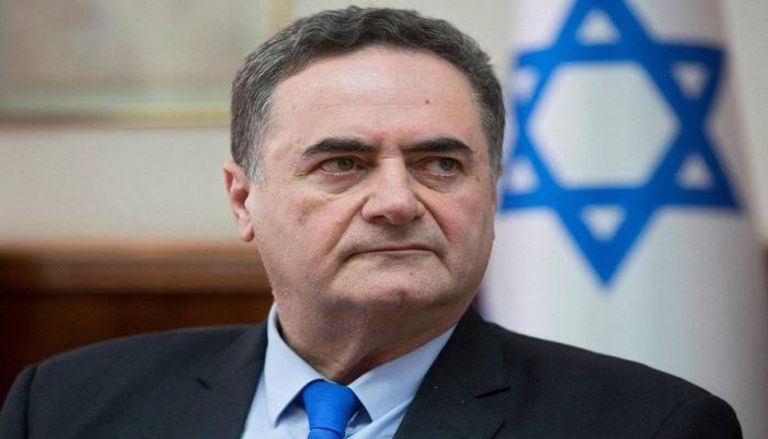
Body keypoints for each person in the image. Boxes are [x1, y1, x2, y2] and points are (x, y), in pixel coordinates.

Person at [0, 6, 742, 439]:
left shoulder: (649, 426)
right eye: (343, 163)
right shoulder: (67, 406)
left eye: (440, 163)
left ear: (491, 194)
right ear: (243, 200)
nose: (396, 202)